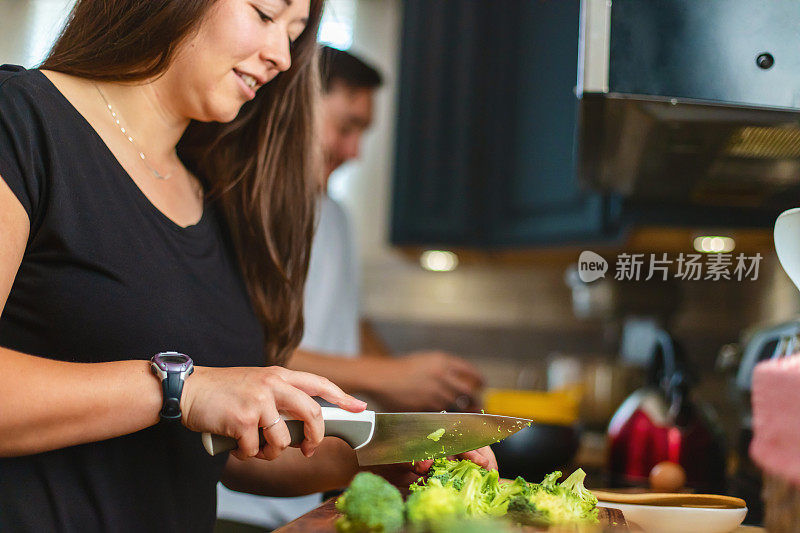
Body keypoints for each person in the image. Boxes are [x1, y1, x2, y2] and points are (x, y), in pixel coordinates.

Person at [0, 2, 495, 532]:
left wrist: (386, 457)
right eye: (265, 13)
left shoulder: (219, 195)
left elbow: (231, 453)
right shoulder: (22, 119)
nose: (282, 56)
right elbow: (192, 400)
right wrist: (179, 390)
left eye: (295, 33)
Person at [216, 46, 486, 530]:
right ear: (297, 104)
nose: (355, 151)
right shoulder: (245, 205)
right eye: (346, 127)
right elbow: (242, 355)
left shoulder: (335, 216)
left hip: (305, 487)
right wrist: (388, 377)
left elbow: (343, 320)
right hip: (238, 498)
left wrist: (415, 390)